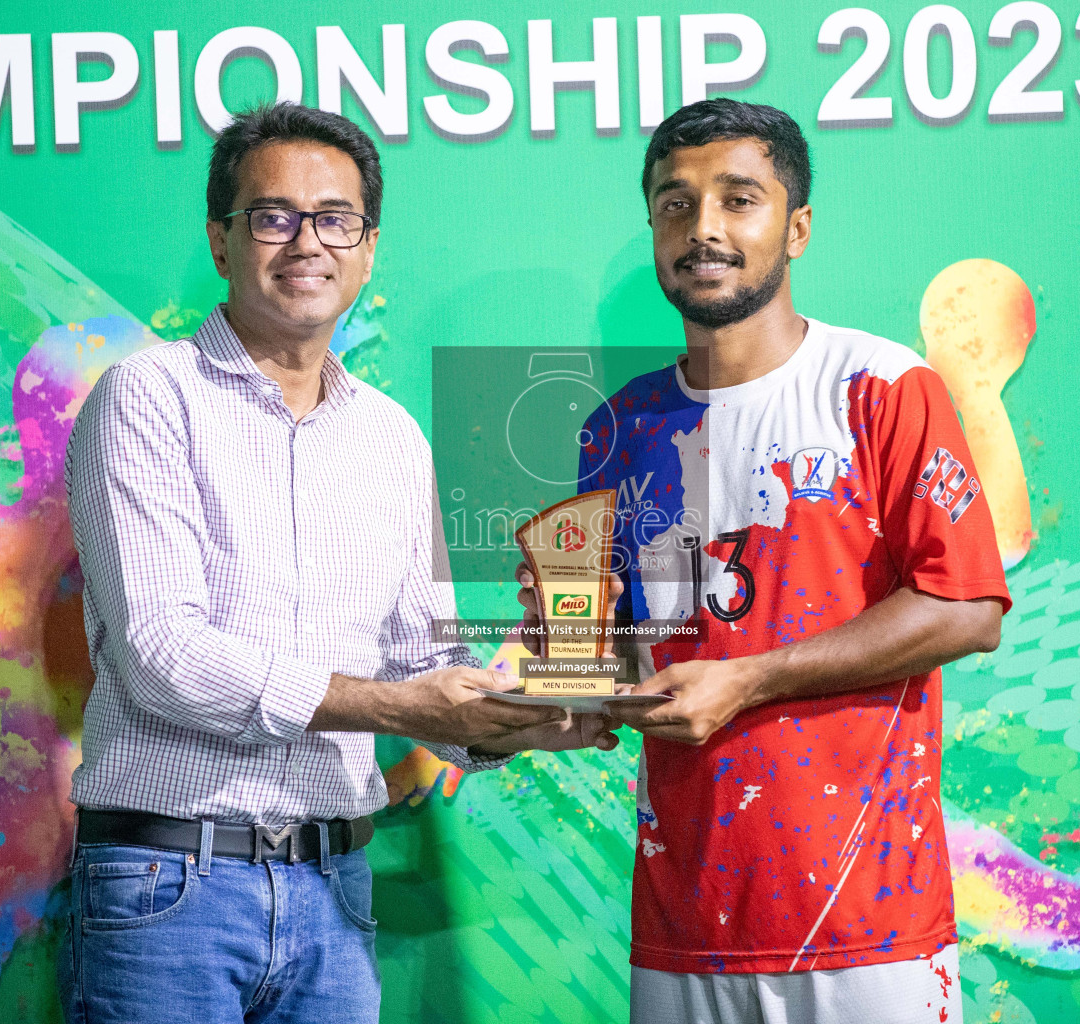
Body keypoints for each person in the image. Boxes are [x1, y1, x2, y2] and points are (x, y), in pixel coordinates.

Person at [61, 102, 612, 1024]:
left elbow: (419, 666)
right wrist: (400, 706)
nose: (305, 242)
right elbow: (164, 654)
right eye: (272, 216)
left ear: (367, 246)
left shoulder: (392, 439)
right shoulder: (147, 399)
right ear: (220, 239)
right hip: (167, 889)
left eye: (335, 219)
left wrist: (522, 724)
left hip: (336, 893)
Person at [519, 98, 1010, 1023]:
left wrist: (748, 681)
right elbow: (630, 665)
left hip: (869, 925)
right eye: (675, 204)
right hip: (683, 921)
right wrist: (568, 663)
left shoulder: (881, 387)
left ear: (797, 227)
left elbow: (966, 607)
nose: (703, 229)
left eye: (738, 199)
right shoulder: (616, 429)